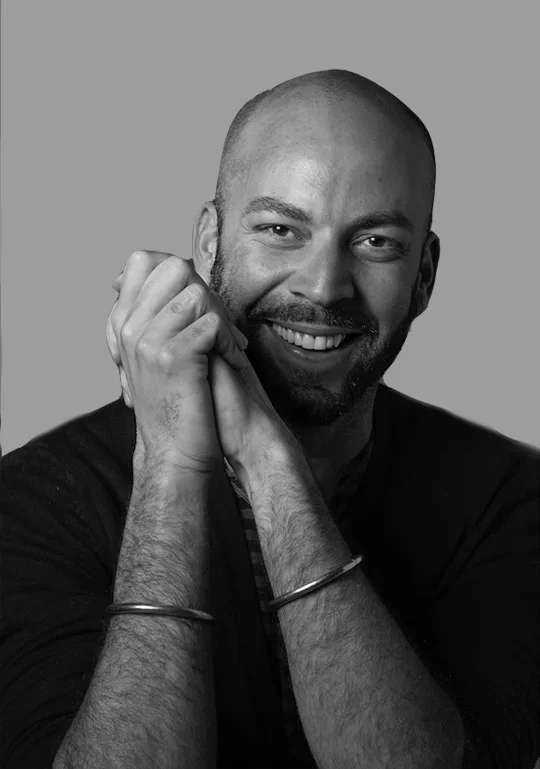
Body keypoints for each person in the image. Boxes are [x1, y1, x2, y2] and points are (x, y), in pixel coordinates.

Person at [1, 70, 538, 769]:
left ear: (425, 275)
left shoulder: (512, 500)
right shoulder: (32, 500)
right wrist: (171, 467)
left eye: (376, 241)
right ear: (209, 241)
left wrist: (268, 457)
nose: (324, 286)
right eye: (281, 229)